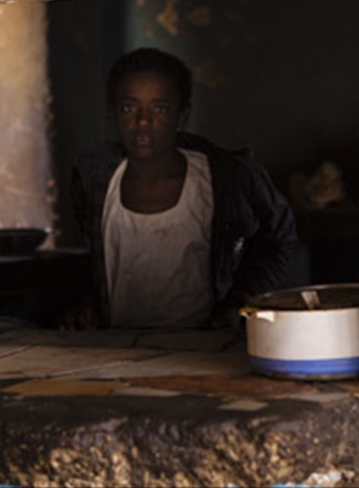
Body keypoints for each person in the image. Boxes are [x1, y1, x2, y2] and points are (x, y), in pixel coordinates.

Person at [65, 48, 297, 330]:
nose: (143, 121)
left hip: (204, 350)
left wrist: (240, 302)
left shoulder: (226, 178)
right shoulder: (94, 182)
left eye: (160, 108)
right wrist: (87, 306)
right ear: (110, 112)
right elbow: (93, 263)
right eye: (129, 107)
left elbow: (278, 238)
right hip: (117, 348)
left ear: (182, 114)